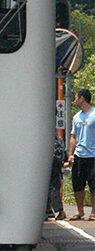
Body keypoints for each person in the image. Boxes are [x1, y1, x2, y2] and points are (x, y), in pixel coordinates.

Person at [70, 88, 95, 220]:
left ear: (82, 99)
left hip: (93, 156)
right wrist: (70, 154)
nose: (74, 100)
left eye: (75, 97)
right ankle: (80, 211)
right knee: (78, 184)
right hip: (79, 156)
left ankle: (94, 212)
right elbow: (73, 137)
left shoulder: (94, 114)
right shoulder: (76, 117)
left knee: (93, 185)